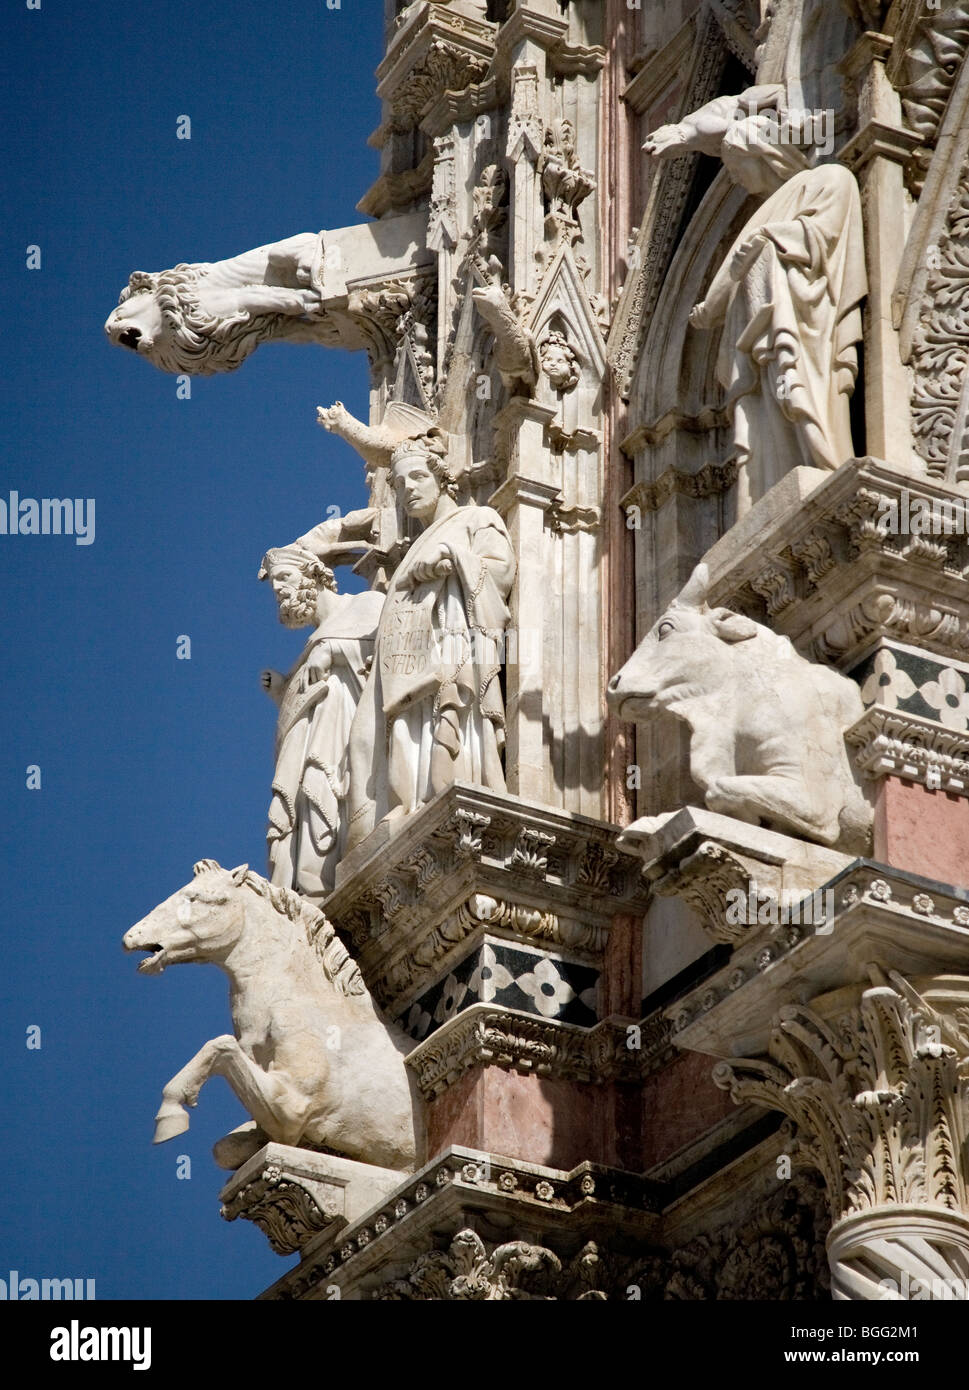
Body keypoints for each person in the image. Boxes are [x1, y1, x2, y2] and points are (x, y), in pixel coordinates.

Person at [346, 431, 516, 850]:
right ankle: (414, 799)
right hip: (410, 662)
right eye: (400, 485)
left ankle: (459, 779)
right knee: (394, 730)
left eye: (418, 477)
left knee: (450, 713)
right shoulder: (408, 552)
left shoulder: (478, 519)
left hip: (456, 646)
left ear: (443, 479)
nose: (408, 491)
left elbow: (501, 573)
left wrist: (452, 561)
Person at [259, 544, 384, 898]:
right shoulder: (311, 645)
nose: (279, 590)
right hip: (313, 740)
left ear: (314, 573)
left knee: (322, 790)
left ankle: (320, 883)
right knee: (301, 799)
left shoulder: (366, 605)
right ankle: (308, 888)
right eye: (274, 587)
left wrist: (334, 651)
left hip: (343, 739)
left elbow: (392, 651)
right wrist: (285, 691)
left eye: (285, 577)